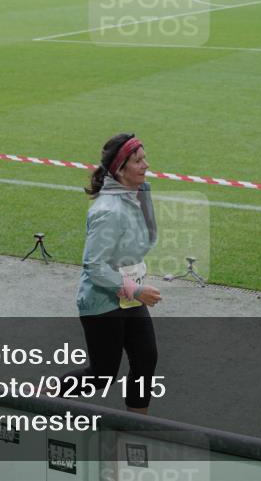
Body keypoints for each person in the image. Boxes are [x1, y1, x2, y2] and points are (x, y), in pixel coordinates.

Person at [63, 133, 162, 414]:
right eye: (138, 161)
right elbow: (94, 267)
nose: (147, 165)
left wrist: (136, 274)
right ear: (120, 169)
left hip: (127, 293)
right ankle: (39, 398)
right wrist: (137, 289)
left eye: (145, 158)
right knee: (102, 375)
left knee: (145, 360)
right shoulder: (107, 211)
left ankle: (135, 431)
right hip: (102, 301)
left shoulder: (141, 193)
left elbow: (147, 239)